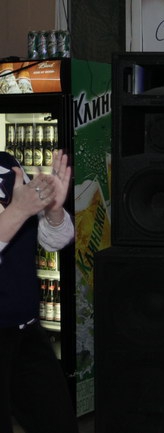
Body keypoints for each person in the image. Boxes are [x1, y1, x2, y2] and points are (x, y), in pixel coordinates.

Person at [0, 150, 76, 433]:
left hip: (25, 327)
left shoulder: (7, 164)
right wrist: (18, 210)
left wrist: (54, 210)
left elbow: (53, 239)